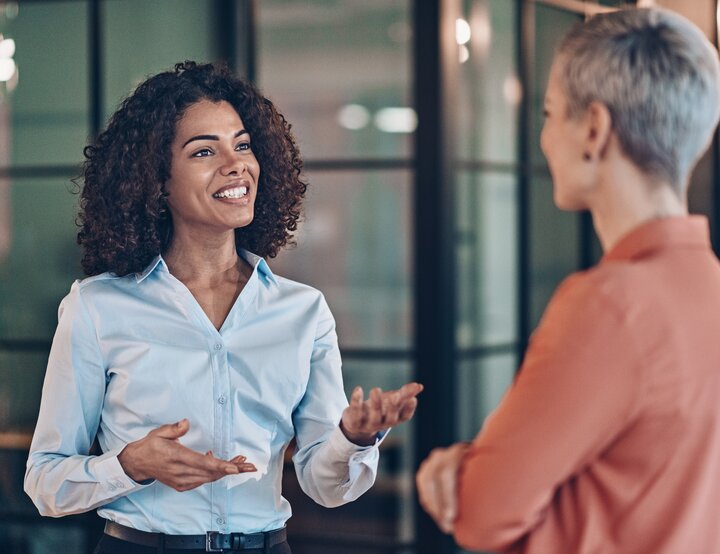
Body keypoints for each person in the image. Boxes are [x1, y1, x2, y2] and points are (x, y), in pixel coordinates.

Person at [24, 61, 422, 554]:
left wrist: (353, 437)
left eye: (243, 144)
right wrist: (131, 464)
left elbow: (326, 485)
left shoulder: (304, 312)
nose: (236, 164)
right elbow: (45, 482)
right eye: (205, 151)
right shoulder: (98, 307)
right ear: (157, 180)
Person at [416, 7, 720, 553]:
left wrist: (458, 469)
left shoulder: (610, 305)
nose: (543, 139)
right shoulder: (719, 290)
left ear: (593, 128)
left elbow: (478, 515)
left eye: (547, 113)